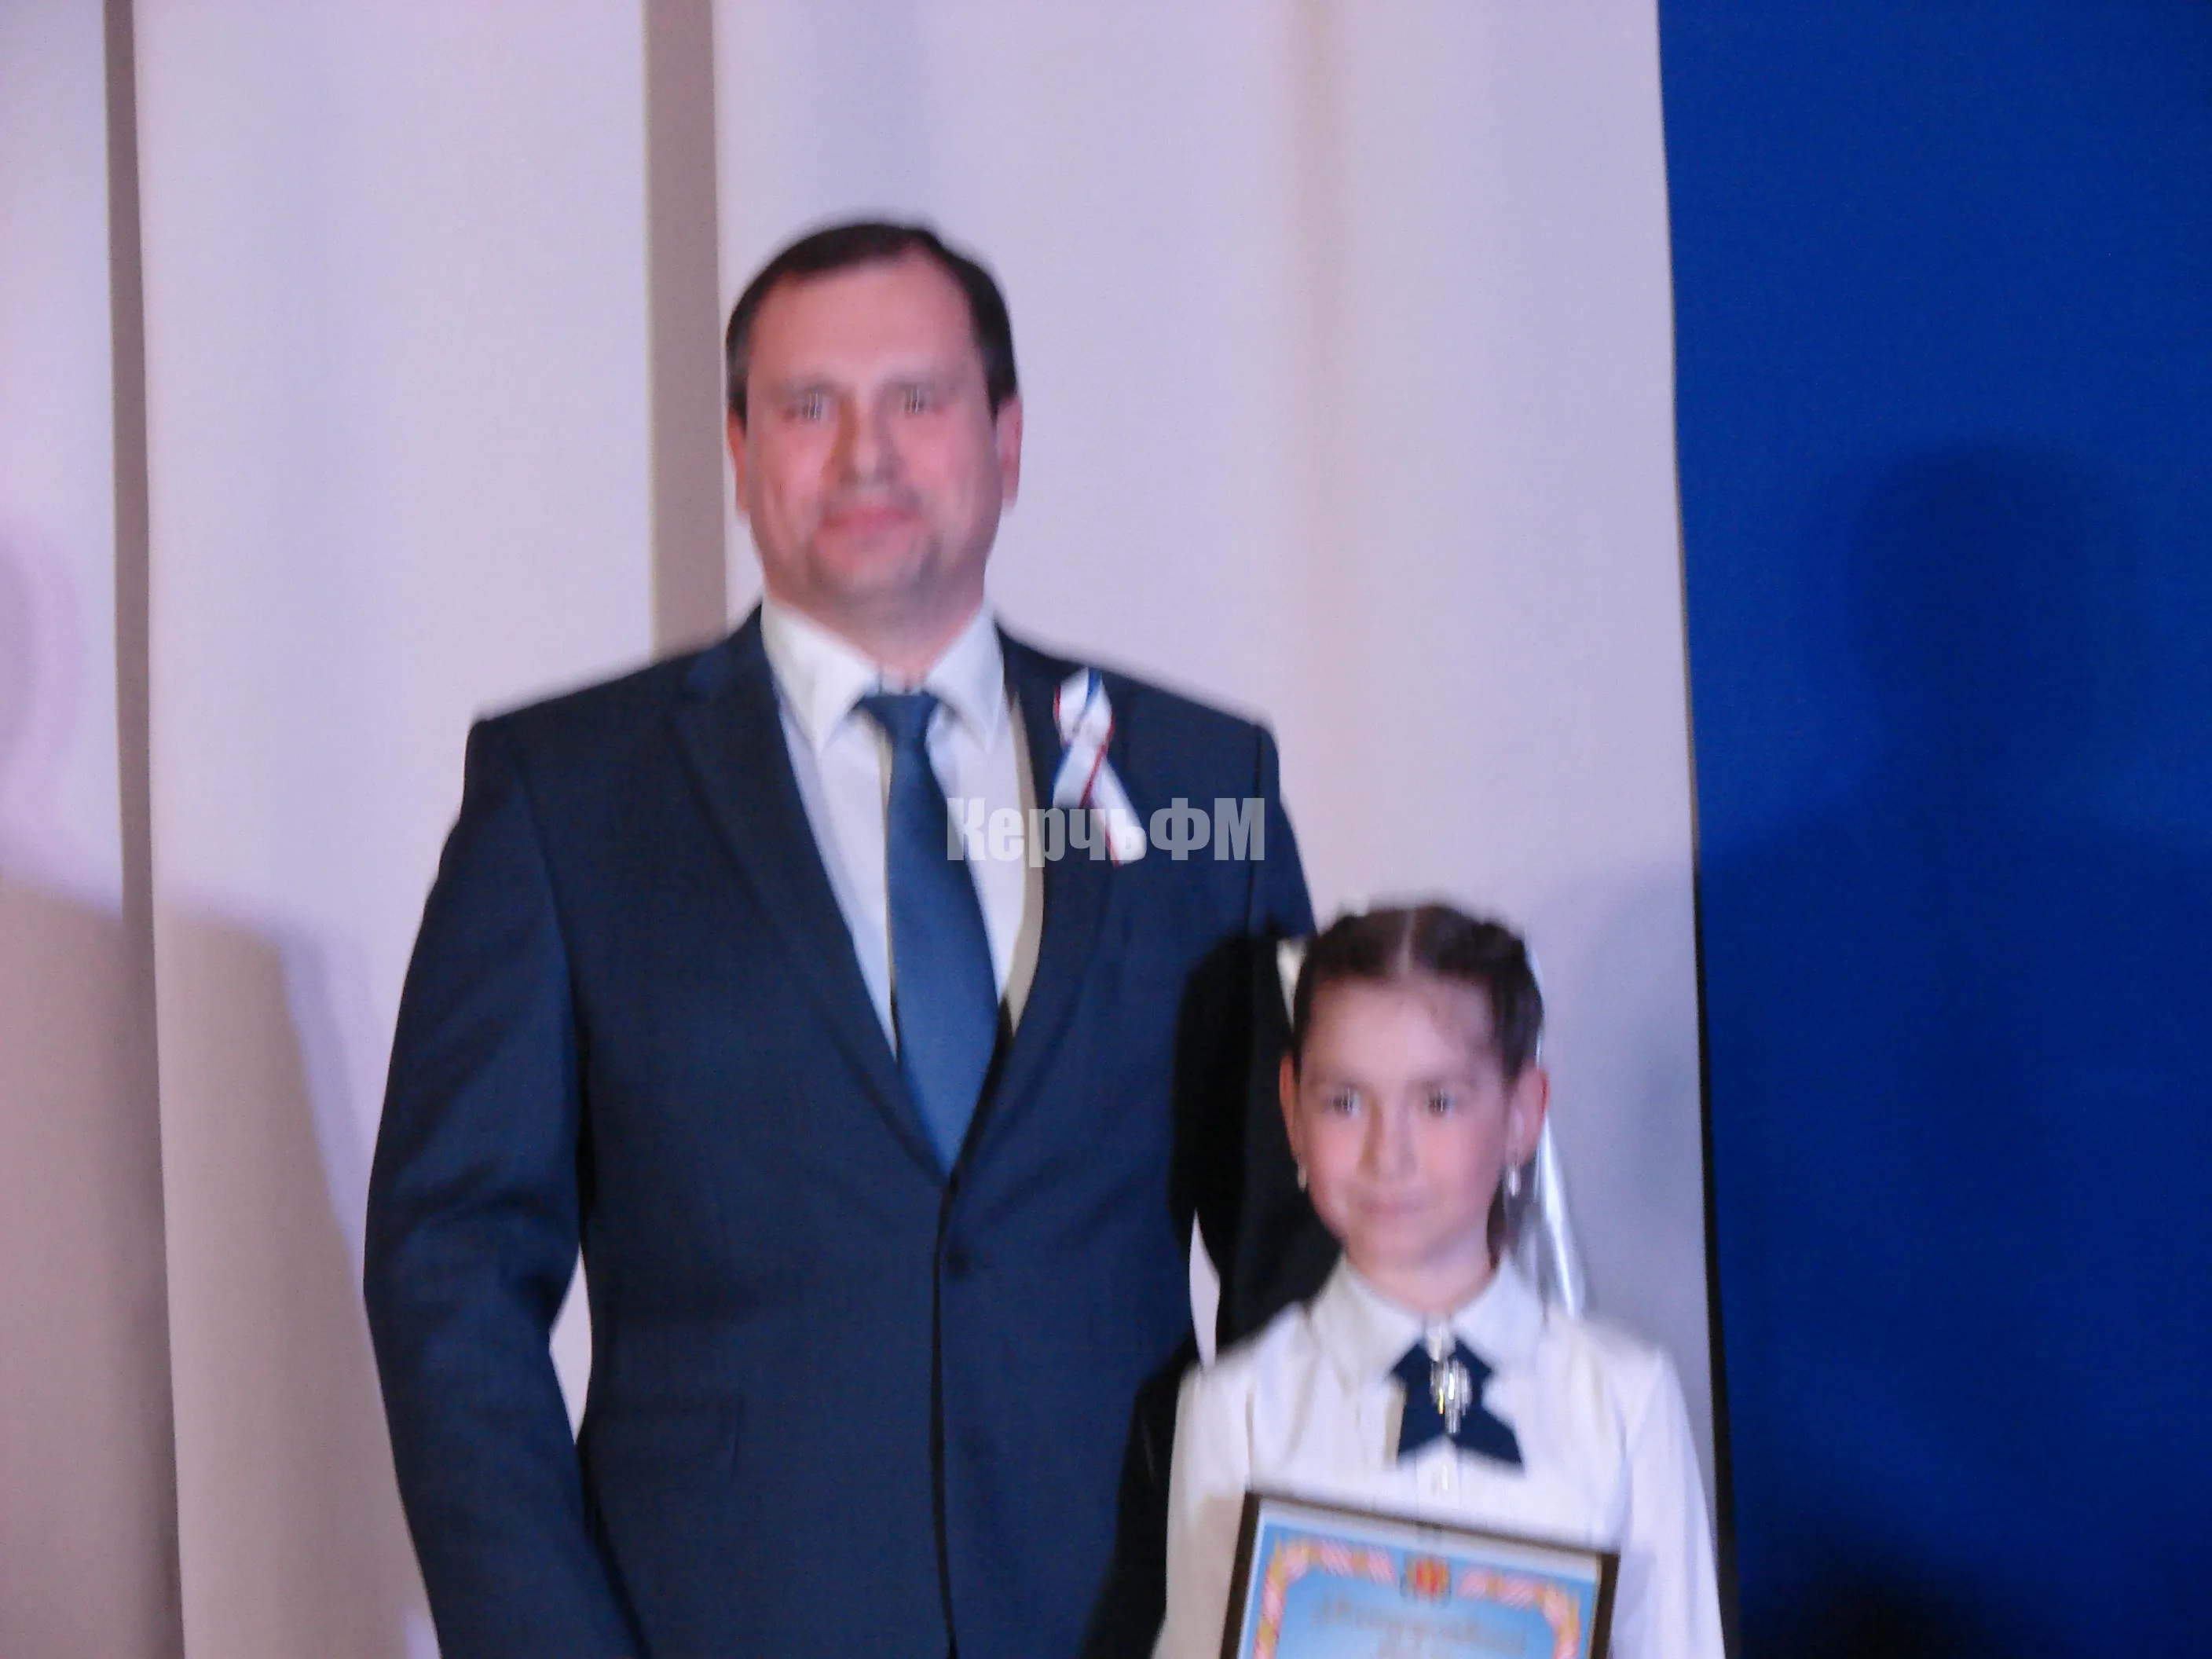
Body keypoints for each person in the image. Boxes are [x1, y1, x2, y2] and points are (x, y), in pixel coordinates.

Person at [364, 221, 1317, 1659]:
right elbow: (450, 1273)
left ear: (1007, 440)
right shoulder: (564, 796)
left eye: (917, 400)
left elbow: (1300, 1238)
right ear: (741, 451)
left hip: (1137, 1618)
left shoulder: (1200, 783)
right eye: (810, 407)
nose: (867, 455)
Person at [1153, 904, 1723, 1659]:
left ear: (1521, 1113)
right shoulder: (1238, 1410)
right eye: (1345, 1102)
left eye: (1439, 1102)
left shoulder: (1624, 1399)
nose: (1388, 1154)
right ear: (1291, 1109)